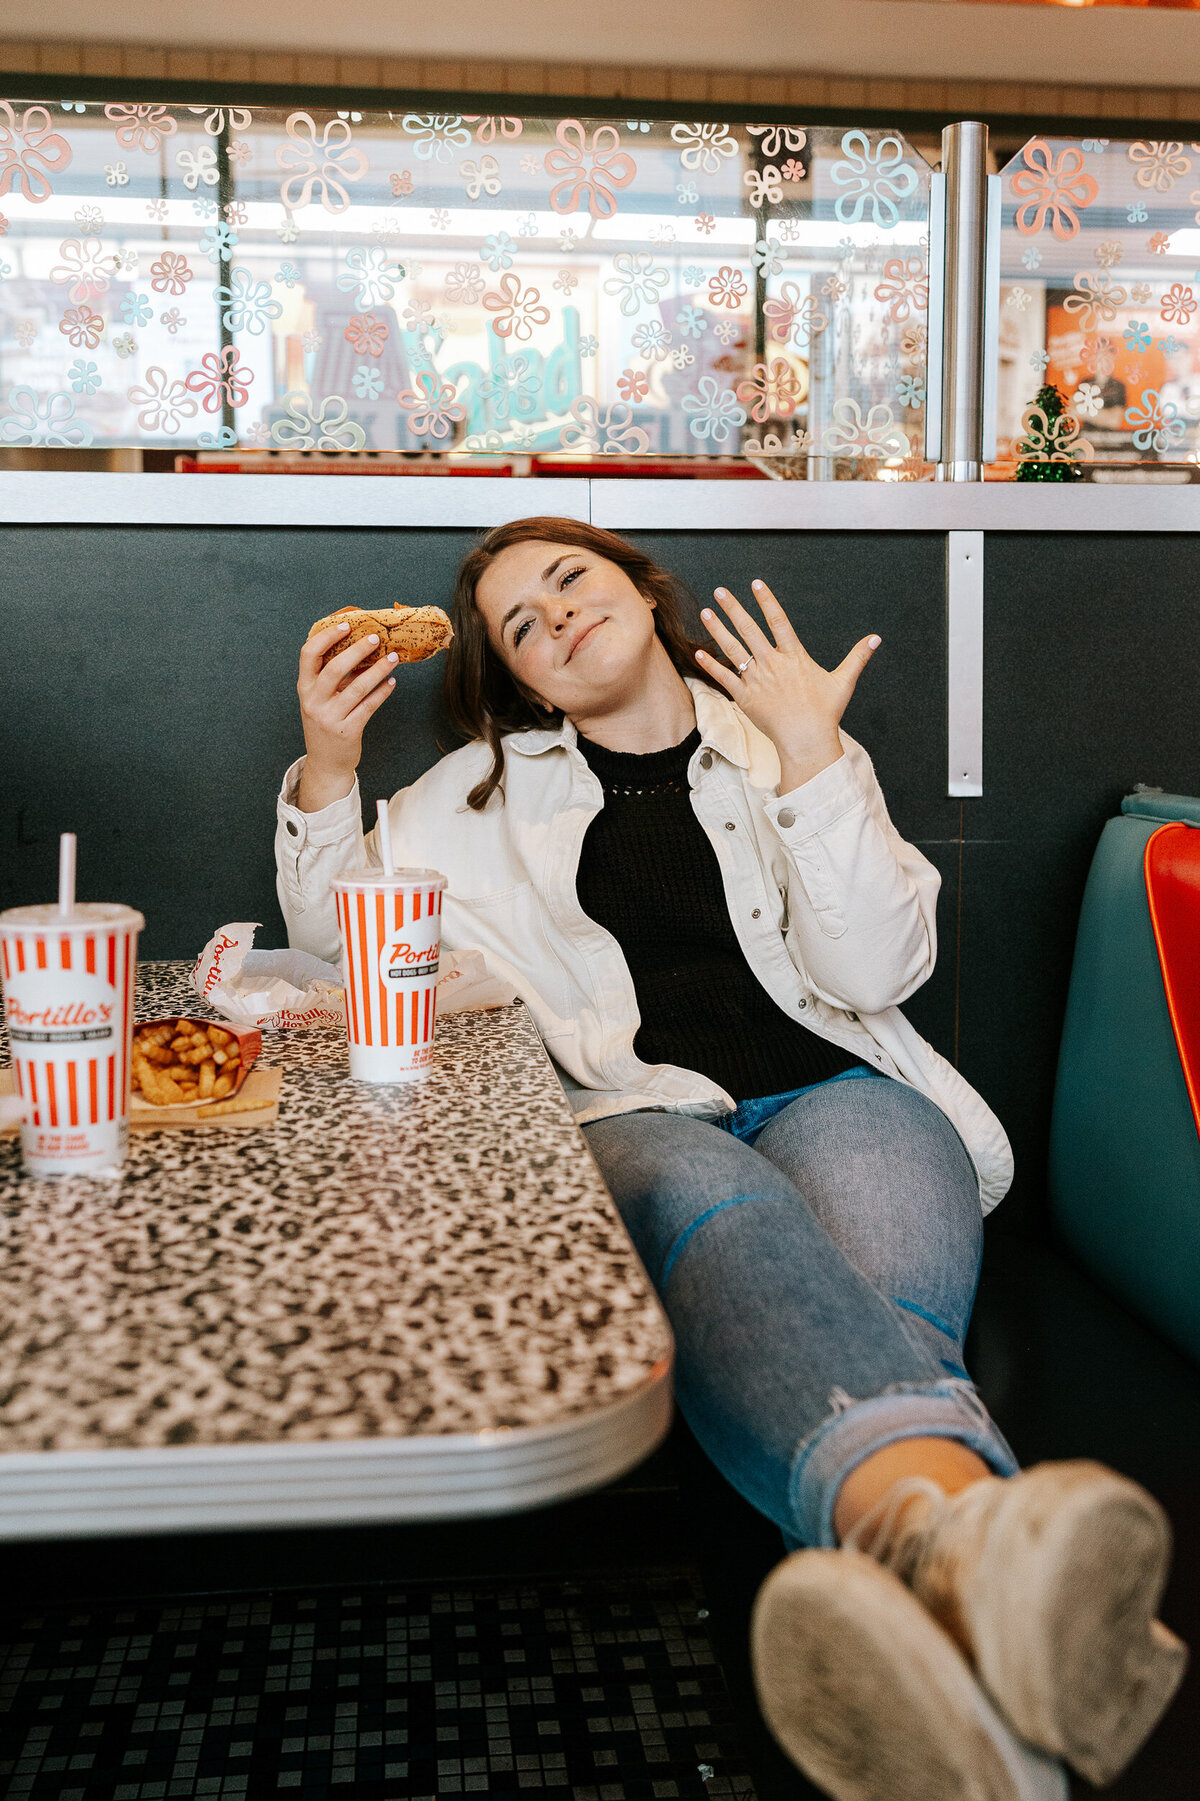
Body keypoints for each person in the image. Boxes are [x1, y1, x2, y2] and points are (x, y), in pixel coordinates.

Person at [276, 518, 1187, 1801]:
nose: (555, 620)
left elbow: (878, 973)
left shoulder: (778, 733)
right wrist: (329, 764)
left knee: (859, 1296)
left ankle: (945, 1623)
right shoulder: (474, 796)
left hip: (847, 1092)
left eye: (571, 581)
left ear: (644, 592)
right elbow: (341, 935)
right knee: (727, 1211)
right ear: (523, 682)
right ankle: (967, 1563)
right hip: (643, 1116)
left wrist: (814, 751)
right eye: (520, 627)